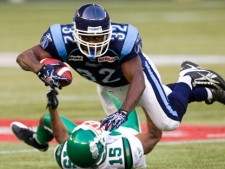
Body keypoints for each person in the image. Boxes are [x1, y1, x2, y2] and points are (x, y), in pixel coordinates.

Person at [16, 3, 225, 155]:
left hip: (135, 77)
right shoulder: (61, 39)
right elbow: (25, 56)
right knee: (126, 133)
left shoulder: (122, 41)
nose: (94, 42)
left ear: (108, 32)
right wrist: (40, 69)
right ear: (76, 32)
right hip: (108, 85)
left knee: (168, 121)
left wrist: (123, 112)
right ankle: (206, 92)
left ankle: (187, 77)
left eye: (99, 37)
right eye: (88, 37)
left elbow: (138, 80)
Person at [11, 88, 149, 169]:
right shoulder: (125, 151)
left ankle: (38, 141)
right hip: (124, 132)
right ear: (102, 144)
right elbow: (154, 136)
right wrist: (151, 102)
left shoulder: (68, 156)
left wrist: (53, 108)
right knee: (121, 91)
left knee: (47, 119)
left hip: (90, 144)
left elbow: (62, 137)